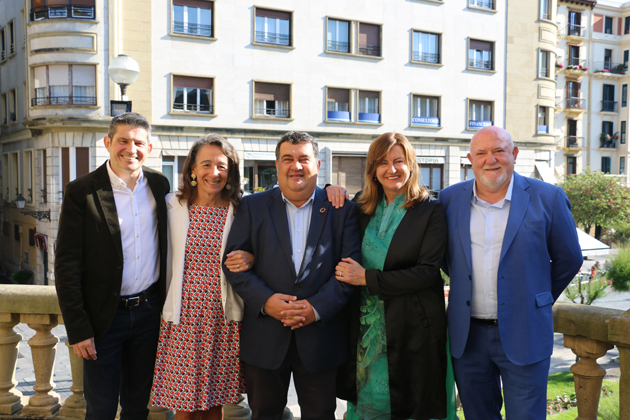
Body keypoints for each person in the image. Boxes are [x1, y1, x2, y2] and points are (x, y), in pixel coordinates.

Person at [438, 126, 583, 420]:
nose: (490, 159)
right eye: (481, 153)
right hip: (468, 338)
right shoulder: (448, 200)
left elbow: (569, 259)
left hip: (525, 332)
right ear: (470, 159)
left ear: (514, 154)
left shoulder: (549, 197)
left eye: (498, 151)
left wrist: (536, 297)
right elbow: (442, 257)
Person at [223, 131, 362, 420]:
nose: (295, 166)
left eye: (303, 159)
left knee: (321, 415)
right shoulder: (252, 206)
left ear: (318, 165)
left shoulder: (342, 210)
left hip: (320, 338)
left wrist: (316, 309)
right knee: (264, 415)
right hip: (265, 337)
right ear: (277, 165)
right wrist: (266, 301)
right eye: (288, 159)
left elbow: (349, 271)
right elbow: (234, 265)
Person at [55, 112, 170, 420]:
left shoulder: (160, 185)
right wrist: (78, 329)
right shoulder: (82, 191)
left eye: (138, 142)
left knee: (137, 407)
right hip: (102, 319)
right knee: (101, 409)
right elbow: (66, 265)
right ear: (108, 143)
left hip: (148, 315)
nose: (130, 149)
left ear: (149, 147)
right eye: (123, 140)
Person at [334, 132, 455, 420]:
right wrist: (329, 188)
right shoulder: (360, 207)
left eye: (399, 161)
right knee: (369, 404)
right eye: (382, 163)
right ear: (372, 170)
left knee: (414, 405)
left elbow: (427, 273)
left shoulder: (431, 210)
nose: (391, 169)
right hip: (366, 329)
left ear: (411, 165)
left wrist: (367, 278)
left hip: (414, 327)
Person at [151, 134, 254, 420]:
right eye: (206, 164)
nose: (214, 173)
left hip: (224, 318)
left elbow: (265, 246)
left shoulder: (241, 208)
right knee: (184, 404)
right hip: (183, 317)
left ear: (230, 171)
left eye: (222, 166)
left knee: (215, 404)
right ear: (193, 169)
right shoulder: (171, 205)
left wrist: (252, 257)